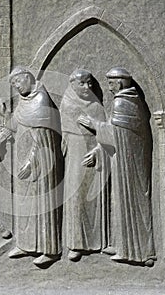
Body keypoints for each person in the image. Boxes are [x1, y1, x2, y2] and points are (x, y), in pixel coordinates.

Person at [78, 67, 156, 266]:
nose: (109, 87)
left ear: (119, 83)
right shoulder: (131, 100)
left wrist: (94, 124)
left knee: (128, 202)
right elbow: (118, 134)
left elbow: (116, 135)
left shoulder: (123, 102)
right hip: (122, 161)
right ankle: (122, 244)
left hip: (129, 165)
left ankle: (135, 251)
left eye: (111, 83)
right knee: (119, 202)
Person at [0, 66, 63, 266]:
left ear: (27, 78)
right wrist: (4, 114)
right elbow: (15, 126)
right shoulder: (25, 101)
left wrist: (32, 161)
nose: (16, 87)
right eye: (12, 85)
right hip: (23, 162)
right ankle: (26, 244)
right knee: (24, 204)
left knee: (42, 204)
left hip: (41, 162)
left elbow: (42, 139)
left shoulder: (40, 100)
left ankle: (49, 250)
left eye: (17, 82)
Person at [60, 69, 111, 261]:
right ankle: (76, 244)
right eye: (82, 83)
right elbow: (64, 136)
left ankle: (98, 242)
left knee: (94, 197)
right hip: (74, 155)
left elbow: (107, 134)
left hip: (94, 155)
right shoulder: (67, 104)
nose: (87, 87)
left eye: (89, 83)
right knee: (75, 197)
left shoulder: (96, 107)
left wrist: (98, 150)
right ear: (72, 84)